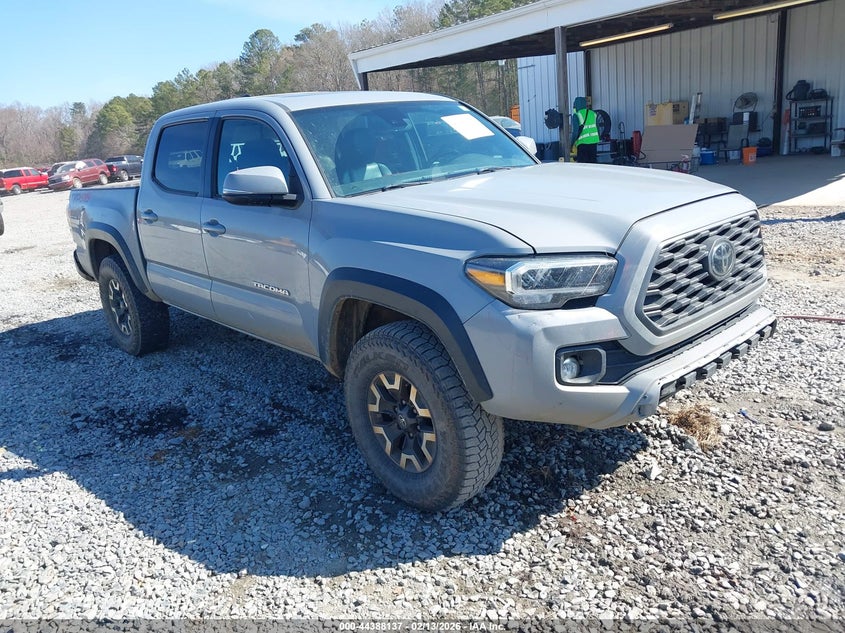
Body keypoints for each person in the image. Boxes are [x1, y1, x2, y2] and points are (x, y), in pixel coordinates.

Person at [571, 97, 599, 163]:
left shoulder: (576, 115)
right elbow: (598, 128)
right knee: (593, 164)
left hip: (582, 144)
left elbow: (575, 132)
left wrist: (571, 144)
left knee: (583, 166)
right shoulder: (593, 114)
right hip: (593, 142)